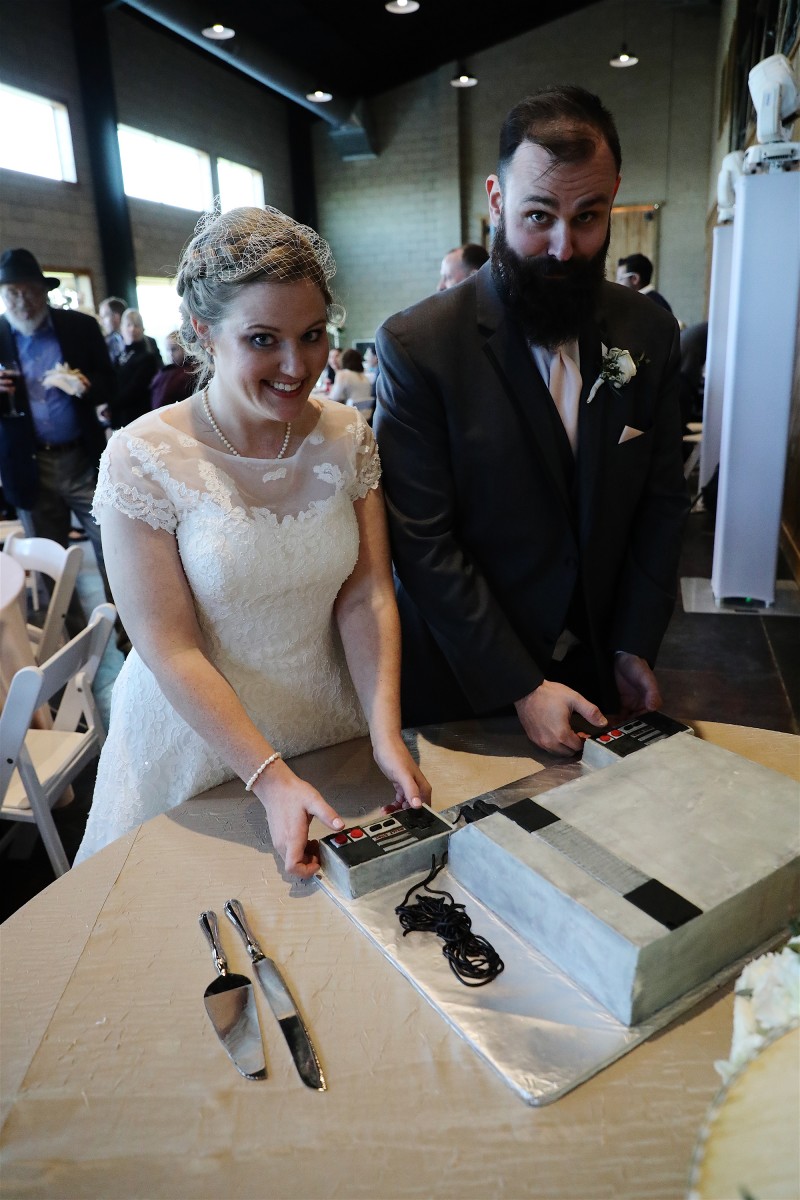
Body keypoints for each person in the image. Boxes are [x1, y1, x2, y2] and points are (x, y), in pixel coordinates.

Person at [75, 205, 430, 875]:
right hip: (199, 738)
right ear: (204, 332)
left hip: (330, 718)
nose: (297, 365)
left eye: (313, 335)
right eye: (264, 339)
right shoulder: (142, 456)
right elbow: (168, 645)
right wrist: (267, 776)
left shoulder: (347, 434)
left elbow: (367, 595)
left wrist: (385, 730)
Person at [374, 85, 689, 757]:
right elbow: (423, 542)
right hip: (464, 683)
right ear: (496, 200)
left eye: (588, 217)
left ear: (613, 199)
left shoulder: (650, 333)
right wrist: (520, 683)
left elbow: (662, 501)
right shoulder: (418, 346)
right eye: (539, 215)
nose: (564, 248)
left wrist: (633, 641)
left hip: (599, 670)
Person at [0, 247, 115, 627]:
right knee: (50, 563)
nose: (22, 301)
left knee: (114, 547)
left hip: (83, 458)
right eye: (13, 293)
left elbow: (109, 382)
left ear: (44, 292)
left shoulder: (79, 327)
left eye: (30, 291)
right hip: (29, 465)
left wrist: (87, 385)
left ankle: (127, 634)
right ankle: (74, 640)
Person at [108, 308, 161, 428]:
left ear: (142, 329)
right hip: (120, 416)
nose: (132, 329)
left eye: (136, 325)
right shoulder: (119, 356)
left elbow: (134, 390)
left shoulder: (147, 357)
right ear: (122, 328)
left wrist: (110, 404)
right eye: (128, 325)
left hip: (137, 417)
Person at [149, 330, 195, 408]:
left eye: (174, 349)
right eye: (167, 350)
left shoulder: (190, 373)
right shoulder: (167, 370)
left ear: (185, 348)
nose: (170, 354)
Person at [329, 347, 375, 421]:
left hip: (348, 418)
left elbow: (334, 398)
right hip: (365, 419)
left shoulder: (342, 374)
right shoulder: (365, 377)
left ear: (343, 360)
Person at [98, 296, 126, 364]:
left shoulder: (136, 341)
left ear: (116, 317)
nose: (101, 322)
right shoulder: (107, 342)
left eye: (104, 316)